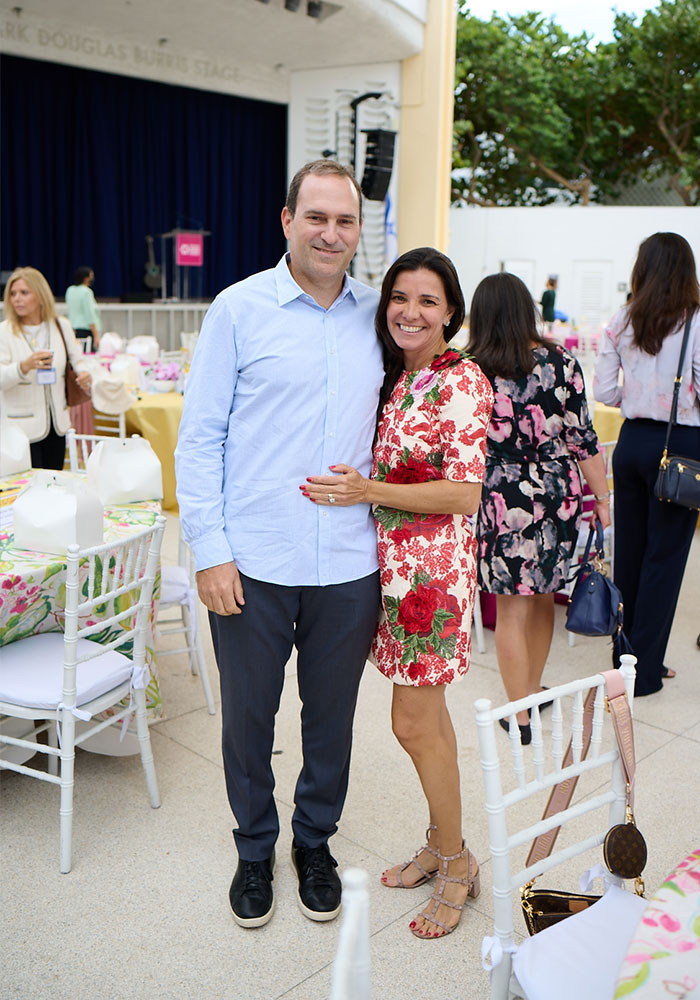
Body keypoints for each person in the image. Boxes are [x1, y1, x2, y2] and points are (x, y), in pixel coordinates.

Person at [174, 160, 384, 929]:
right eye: (318, 217)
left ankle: (315, 842)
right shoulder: (239, 309)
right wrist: (209, 549)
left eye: (346, 221)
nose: (332, 233)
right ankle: (255, 849)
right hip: (253, 560)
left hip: (350, 562)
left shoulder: (378, 316)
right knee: (248, 719)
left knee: (331, 719)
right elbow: (199, 440)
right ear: (287, 219)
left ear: (359, 230)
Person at [302, 247, 493, 939]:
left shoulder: (461, 380)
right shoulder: (402, 379)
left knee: (411, 725)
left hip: (432, 576)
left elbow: (466, 494)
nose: (411, 311)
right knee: (429, 723)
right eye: (400, 298)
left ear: (450, 313)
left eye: (428, 301)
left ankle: (458, 862)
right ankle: (446, 846)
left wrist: (367, 490)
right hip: (392, 569)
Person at [469, 273, 610, 743]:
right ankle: (530, 689)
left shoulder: (471, 367)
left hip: (499, 495)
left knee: (510, 607)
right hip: (556, 494)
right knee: (545, 597)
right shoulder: (561, 361)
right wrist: (603, 499)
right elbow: (584, 440)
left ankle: (520, 713)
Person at [594, 232, 700, 697]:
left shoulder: (622, 318)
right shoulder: (695, 321)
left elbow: (603, 392)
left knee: (631, 555)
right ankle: (648, 673)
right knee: (665, 559)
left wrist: (635, 397)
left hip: (632, 439)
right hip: (681, 446)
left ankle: (624, 663)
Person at [0, 266, 92, 470]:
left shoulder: (61, 325)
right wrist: (23, 367)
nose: (17, 299)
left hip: (57, 424)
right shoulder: (4, 332)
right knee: (27, 491)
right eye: (13, 293)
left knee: (53, 485)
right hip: (20, 429)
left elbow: (78, 360)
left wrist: (84, 373)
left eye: (24, 293)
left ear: (40, 295)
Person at [65, 266, 101, 350]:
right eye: (91, 276)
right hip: (86, 331)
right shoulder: (86, 292)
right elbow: (90, 315)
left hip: (73, 330)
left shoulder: (70, 290)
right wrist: (96, 335)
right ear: (85, 278)